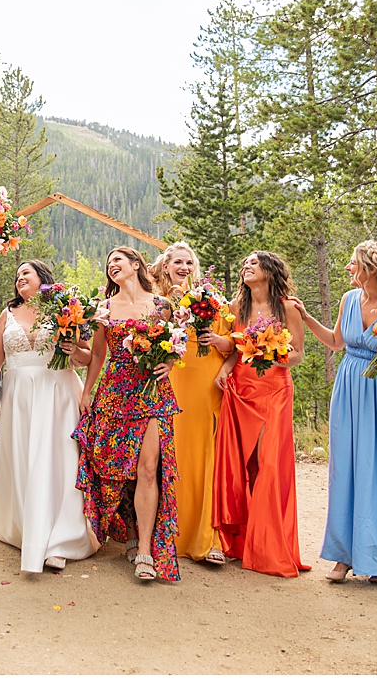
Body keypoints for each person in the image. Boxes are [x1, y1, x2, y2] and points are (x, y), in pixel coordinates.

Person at [288, 241, 377, 584]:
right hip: (349, 390)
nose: (348, 268)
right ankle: (343, 556)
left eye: (353, 263)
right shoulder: (348, 300)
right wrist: (305, 318)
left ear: (371, 269)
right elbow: (337, 342)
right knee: (346, 469)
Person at [0, 261, 99, 573]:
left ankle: (61, 539)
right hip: (20, 396)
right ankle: (25, 529)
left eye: (25, 274)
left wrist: (73, 349)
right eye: (17, 275)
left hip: (57, 393)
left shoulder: (64, 310)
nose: (19, 279)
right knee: (23, 461)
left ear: (42, 279)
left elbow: (87, 356)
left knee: (59, 462)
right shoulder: (8, 314)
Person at [75, 246, 181, 582]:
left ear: (136, 265)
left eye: (118, 260)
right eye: (108, 264)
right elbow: (97, 354)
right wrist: (87, 390)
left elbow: (176, 344)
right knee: (119, 468)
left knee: (148, 467)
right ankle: (130, 530)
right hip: (114, 391)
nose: (112, 266)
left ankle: (147, 550)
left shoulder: (162, 305)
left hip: (152, 392)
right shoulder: (103, 309)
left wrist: (170, 361)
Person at [212, 251, 310, 577]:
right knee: (245, 465)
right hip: (240, 389)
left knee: (270, 465)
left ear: (269, 270)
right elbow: (234, 348)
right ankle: (242, 542)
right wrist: (225, 369)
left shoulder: (289, 308)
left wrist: (273, 352)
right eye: (244, 264)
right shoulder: (236, 308)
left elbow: (296, 354)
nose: (246, 267)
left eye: (253, 263)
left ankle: (270, 547)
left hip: (275, 390)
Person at [149, 241, 230, 566]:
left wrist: (217, 342)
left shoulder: (210, 299)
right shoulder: (158, 302)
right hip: (173, 381)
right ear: (166, 266)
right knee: (172, 457)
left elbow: (231, 345)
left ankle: (207, 537)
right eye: (177, 262)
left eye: (188, 262)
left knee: (205, 456)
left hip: (206, 382)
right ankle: (168, 533)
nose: (183, 267)